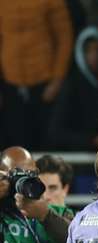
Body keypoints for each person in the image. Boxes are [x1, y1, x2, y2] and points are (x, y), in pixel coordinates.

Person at [0, 0, 73, 149]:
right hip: (9, 82)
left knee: (45, 144)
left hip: (45, 84)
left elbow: (65, 38)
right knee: (15, 145)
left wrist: (57, 80)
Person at [46, 27, 98, 151]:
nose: (94, 56)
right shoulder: (72, 86)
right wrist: (91, 140)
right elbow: (56, 132)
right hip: (82, 159)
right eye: (88, 51)